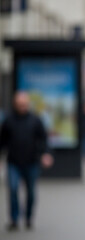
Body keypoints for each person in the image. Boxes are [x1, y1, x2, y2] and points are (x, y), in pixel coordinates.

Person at [0, 92, 54, 231]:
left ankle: (29, 218)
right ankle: (14, 219)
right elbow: (2, 141)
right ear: (15, 105)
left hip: (31, 161)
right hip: (13, 162)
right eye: (19, 104)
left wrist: (46, 154)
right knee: (12, 190)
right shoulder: (9, 120)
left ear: (28, 104)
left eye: (24, 104)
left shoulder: (35, 120)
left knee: (30, 192)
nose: (22, 107)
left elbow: (43, 139)